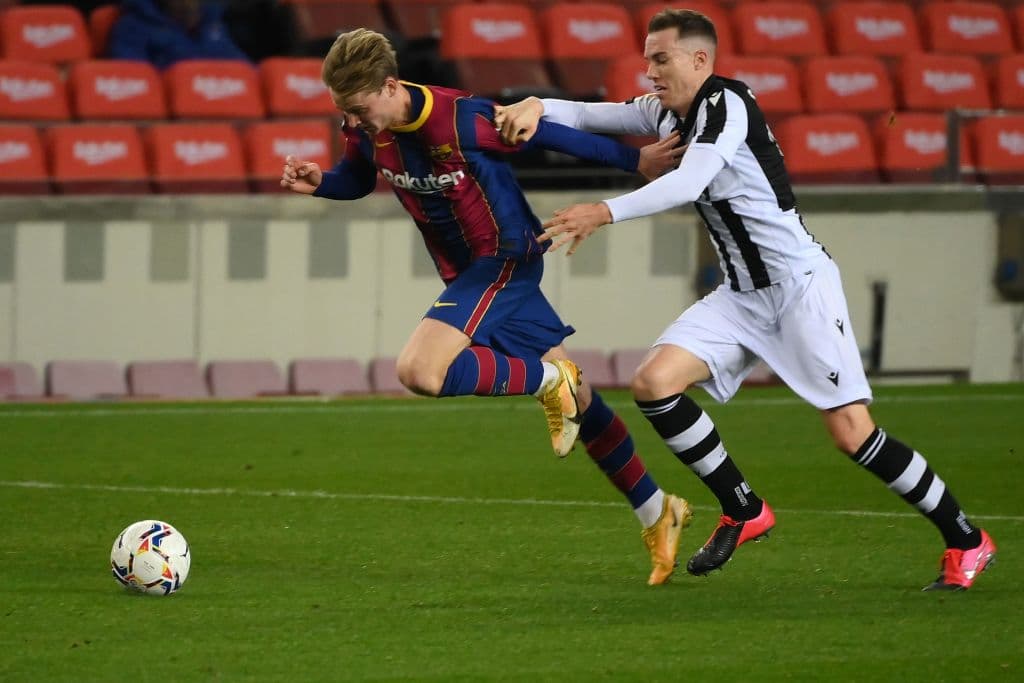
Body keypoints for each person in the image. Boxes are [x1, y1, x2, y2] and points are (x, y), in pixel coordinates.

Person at [493, 8, 996, 591]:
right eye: (647, 58)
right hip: (741, 295)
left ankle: (966, 538)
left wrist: (604, 210)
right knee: (654, 384)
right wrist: (536, 104)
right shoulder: (664, 112)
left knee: (852, 432)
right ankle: (744, 507)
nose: (650, 70)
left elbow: (689, 182)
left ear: (699, 60)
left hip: (799, 289)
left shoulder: (727, 104)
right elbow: (585, 113)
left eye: (661, 58)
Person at [280, 28, 693, 585]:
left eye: (357, 111)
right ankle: (657, 510)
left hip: (505, 259)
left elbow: (550, 136)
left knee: (421, 370)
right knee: (588, 401)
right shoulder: (366, 125)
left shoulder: (460, 118)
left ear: (391, 85)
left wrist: (633, 162)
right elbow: (357, 175)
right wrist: (321, 183)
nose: (352, 123)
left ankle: (550, 382)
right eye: (343, 113)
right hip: (471, 272)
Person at [108, 0, 249, 68]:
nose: (191, 4)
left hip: (221, 108)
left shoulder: (213, 25)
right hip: (170, 118)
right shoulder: (133, 26)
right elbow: (134, 81)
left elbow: (244, 69)